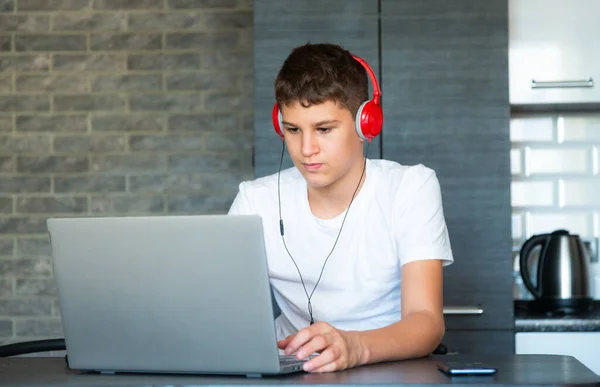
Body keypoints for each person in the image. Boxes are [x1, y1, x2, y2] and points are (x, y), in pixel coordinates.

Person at [228, 42, 453, 373]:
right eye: (293, 130)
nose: (307, 149)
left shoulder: (411, 187)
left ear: (366, 124)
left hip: (385, 369)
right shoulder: (254, 199)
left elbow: (427, 322)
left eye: (324, 129)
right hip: (289, 375)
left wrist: (355, 347)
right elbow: (223, 312)